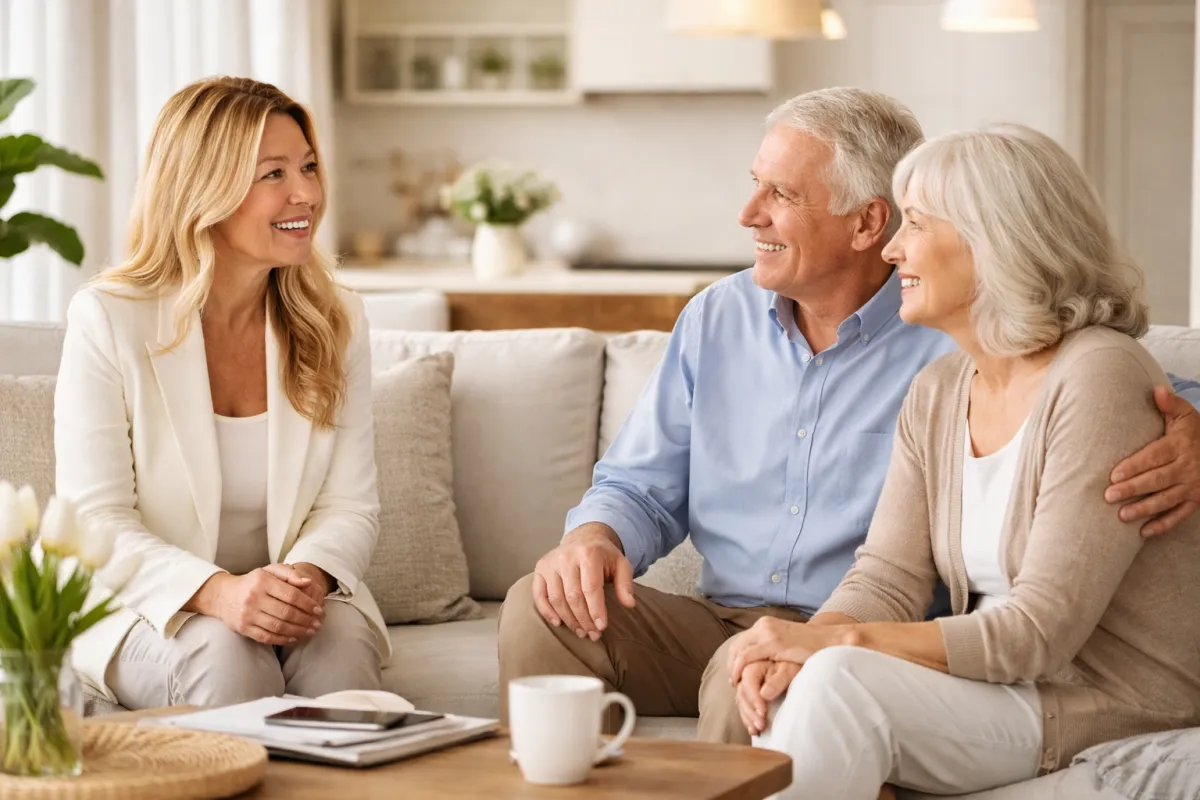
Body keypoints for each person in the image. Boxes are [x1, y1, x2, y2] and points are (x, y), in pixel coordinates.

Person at [496, 87, 1200, 742]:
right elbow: (638, 485)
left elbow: (1118, 388)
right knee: (541, 606)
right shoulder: (718, 317)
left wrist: (1195, 432)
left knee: (753, 685)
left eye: (781, 194)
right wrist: (594, 536)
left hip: (877, 631)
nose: (749, 215)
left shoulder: (958, 326)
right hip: (714, 615)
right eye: (755, 184)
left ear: (868, 221)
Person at [727, 123, 1200, 799]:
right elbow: (887, 577)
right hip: (1000, 693)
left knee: (836, 680)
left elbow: (1038, 633)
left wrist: (839, 646)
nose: (892, 251)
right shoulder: (940, 390)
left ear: (996, 241)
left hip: (1101, 700)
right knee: (795, 679)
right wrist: (806, 641)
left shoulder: (1098, 375)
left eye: (914, 225)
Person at [55, 76, 389, 709]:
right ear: (203, 189)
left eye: (309, 167)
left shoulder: (335, 317)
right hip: (146, 604)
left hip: (291, 591)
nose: (308, 194)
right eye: (274, 174)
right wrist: (218, 593)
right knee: (229, 653)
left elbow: (350, 504)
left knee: (339, 643)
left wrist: (301, 583)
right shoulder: (109, 318)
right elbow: (95, 520)